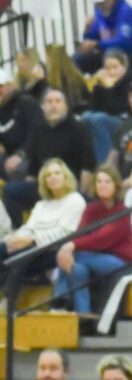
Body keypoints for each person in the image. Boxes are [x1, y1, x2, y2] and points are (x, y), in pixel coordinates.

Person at [3, 88, 95, 225]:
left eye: (58, 101)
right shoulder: (38, 130)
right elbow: (33, 167)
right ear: (43, 107)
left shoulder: (79, 128)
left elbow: (88, 166)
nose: (53, 105)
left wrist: (80, 194)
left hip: (69, 188)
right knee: (11, 190)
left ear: (66, 106)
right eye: (49, 101)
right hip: (44, 186)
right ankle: (18, 229)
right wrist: (29, 186)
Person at [54, 166, 132, 317]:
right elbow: (80, 234)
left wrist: (70, 246)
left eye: (107, 181)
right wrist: (72, 245)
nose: (102, 185)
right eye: (99, 181)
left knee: (72, 255)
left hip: (120, 261)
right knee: (77, 269)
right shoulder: (91, 209)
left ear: (116, 185)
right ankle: (84, 315)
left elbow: (103, 239)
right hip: (91, 258)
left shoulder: (122, 211)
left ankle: (59, 298)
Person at [0, 159, 87, 282]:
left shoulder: (75, 200)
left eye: (57, 173)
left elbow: (65, 233)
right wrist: (14, 238)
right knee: (4, 247)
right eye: (48, 175)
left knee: (16, 259)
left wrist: (32, 241)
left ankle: (10, 292)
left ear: (66, 177)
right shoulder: (41, 204)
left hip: (52, 249)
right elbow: (29, 228)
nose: (52, 177)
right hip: (29, 245)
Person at [82, 49, 132, 163]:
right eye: (107, 68)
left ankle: (106, 163)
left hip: (125, 120)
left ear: (124, 67)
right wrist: (98, 86)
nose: (111, 72)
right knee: (86, 117)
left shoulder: (131, 82)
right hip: (105, 119)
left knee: (98, 119)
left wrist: (110, 88)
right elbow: (93, 107)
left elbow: (116, 108)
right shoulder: (103, 82)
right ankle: (90, 161)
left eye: (115, 67)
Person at [0, 68, 44, 179]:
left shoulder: (26, 103)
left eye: (1, 86)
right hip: (9, 156)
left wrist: (20, 154)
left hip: (31, 156)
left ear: (10, 86)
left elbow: (37, 133)